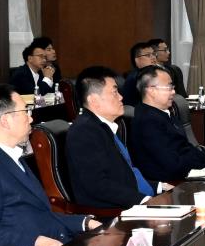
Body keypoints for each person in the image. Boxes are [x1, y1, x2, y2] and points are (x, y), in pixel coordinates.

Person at [0, 86, 93, 246]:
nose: (31, 118)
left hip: (57, 245)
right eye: (25, 112)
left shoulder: (10, 155)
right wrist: (36, 241)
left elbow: (39, 214)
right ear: (6, 120)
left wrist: (84, 222)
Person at [67, 68, 167, 210]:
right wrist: (144, 201)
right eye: (114, 92)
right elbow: (97, 185)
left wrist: (160, 186)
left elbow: (125, 175)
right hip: (111, 212)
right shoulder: (84, 132)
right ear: (94, 100)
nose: (121, 97)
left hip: (131, 201)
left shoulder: (105, 126)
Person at [128, 65, 205, 184]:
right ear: (151, 90)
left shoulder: (163, 113)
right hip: (170, 184)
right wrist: (204, 166)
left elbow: (185, 147)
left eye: (173, 87)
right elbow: (172, 164)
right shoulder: (147, 121)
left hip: (184, 174)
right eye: (169, 87)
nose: (174, 92)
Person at [8, 37, 62, 106]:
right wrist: (47, 78)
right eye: (40, 56)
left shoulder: (41, 72)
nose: (44, 60)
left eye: (45, 57)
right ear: (30, 58)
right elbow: (35, 96)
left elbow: (52, 93)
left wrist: (49, 78)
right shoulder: (21, 74)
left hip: (38, 107)